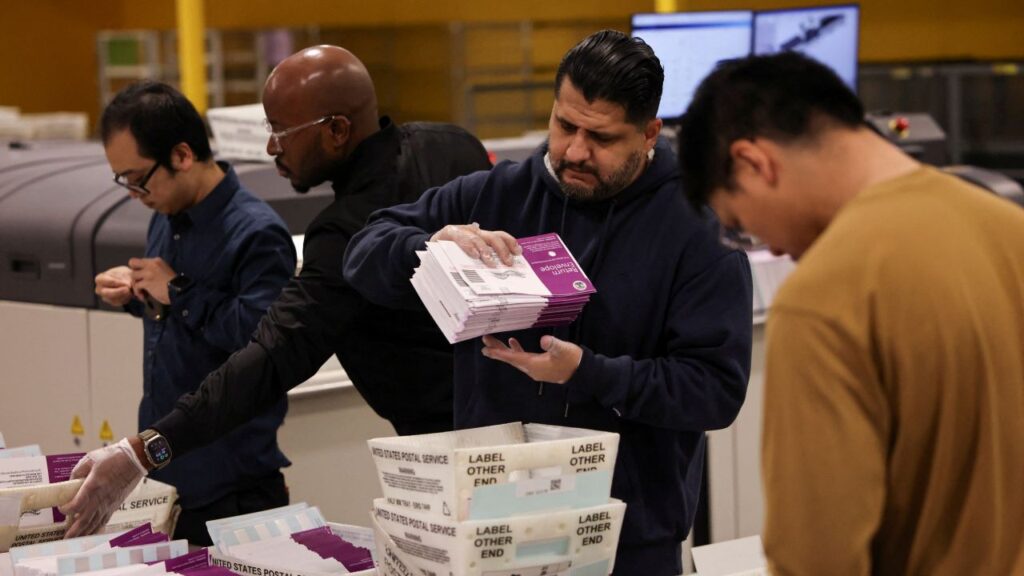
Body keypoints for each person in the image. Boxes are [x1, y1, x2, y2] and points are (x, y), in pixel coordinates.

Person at [343, 30, 753, 574]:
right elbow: (363, 252)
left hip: (625, 540)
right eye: (565, 126)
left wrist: (587, 372)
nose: (576, 152)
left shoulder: (698, 233)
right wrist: (430, 248)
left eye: (601, 137)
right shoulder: (496, 194)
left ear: (650, 133)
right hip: (488, 526)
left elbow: (715, 392)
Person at [62, 46, 492, 538]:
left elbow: (267, 356)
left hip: (450, 459)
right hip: (521, 428)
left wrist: (142, 451)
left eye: (281, 132)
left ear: (336, 130)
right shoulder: (455, 147)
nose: (271, 148)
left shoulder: (345, 235)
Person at [678, 52, 1024, 575]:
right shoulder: (1009, 229)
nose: (767, 244)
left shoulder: (824, 296)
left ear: (754, 162)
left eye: (740, 221)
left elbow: (819, 556)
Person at [91, 81, 296, 545]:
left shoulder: (257, 232)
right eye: (121, 179)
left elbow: (264, 344)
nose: (132, 193)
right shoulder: (166, 215)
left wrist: (178, 290)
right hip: (168, 471)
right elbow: (184, 322)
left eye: (138, 178)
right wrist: (140, 293)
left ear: (182, 155)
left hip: (233, 486)